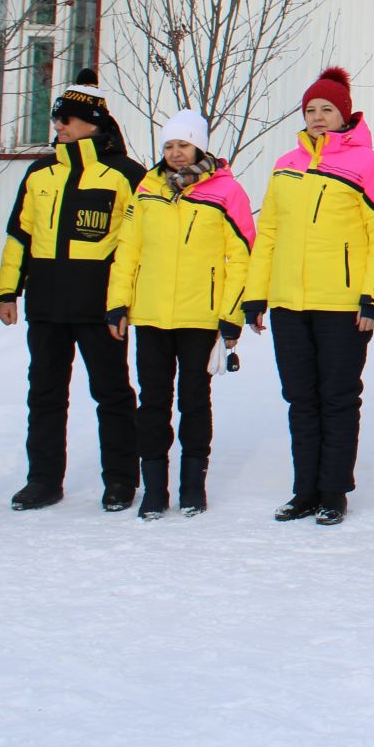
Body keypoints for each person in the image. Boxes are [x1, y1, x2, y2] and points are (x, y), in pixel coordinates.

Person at [244, 67, 374, 526]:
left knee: (338, 396)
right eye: (310, 110)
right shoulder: (286, 163)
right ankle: (305, 489)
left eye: (326, 109)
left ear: (344, 113)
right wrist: (255, 295)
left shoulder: (369, 165)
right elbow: (267, 232)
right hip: (289, 302)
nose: (317, 117)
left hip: (343, 304)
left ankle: (334, 491)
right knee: (300, 397)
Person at [0, 69, 145, 512]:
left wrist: (125, 300)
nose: (58, 126)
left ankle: (120, 480)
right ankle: (42, 480)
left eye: (65, 120)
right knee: (44, 393)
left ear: (91, 124)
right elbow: (19, 235)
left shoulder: (125, 175)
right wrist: (7, 291)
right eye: (57, 119)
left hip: (100, 306)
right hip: (45, 303)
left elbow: (138, 245)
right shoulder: (41, 174)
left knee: (113, 392)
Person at [104, 110, 254, 520]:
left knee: (194, 401)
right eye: (169, 146)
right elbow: (128, 250)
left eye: (183, 145)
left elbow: (241, 258)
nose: (175, 153)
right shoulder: (147, 190)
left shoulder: (226, 192)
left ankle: (192, 486)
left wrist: (231, 314)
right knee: (152, 403)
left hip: (198, 317)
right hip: (151, 315)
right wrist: (118, 303)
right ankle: (154, 489)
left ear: (199, 146)